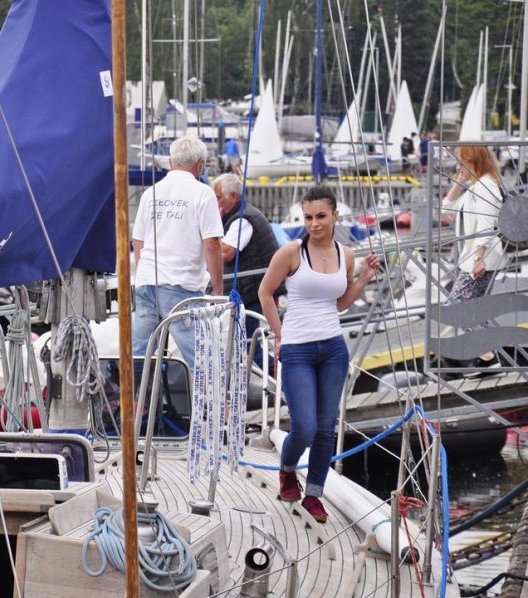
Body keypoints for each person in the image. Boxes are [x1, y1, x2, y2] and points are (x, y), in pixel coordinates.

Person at [258, 186, 379, 523]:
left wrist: (365, 279)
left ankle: (314, 494)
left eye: (321, 216)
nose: (313, 224)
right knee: (305, 426)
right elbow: (265, 293)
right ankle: (286, 470)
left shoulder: (347, 254)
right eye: (308, 217)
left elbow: (339, 303)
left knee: (326, 429)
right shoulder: (291, 253)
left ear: (335, 215)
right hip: (297, 347)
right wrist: (278, 335)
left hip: (333, 348)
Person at [132, 136, 224, 370]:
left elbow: (138, 241)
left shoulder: (150, 193)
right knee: (200, 360)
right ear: (200, 164)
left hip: (146, 284)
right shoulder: (203, 193)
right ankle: (209, 407)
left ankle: (136, 405)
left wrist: (146, 272)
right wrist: (218, 289)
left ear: (171, 161)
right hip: (180, 286)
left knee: (139, 357)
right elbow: (212, 243)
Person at [442, 145, 506, 371]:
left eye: (463, 162)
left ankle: (489, 356)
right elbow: (446, 208)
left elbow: (487, 225)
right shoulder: (475, 186)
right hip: (476, 256)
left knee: (457, 305)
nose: (459, 166)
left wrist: (479, 258)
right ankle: (490, 357)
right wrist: (458, 181)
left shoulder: (486, 186)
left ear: (474, 161)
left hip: (482, 257)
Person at [213, 173, 283, 344]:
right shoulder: (239, 215)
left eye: (218, 198)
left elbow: (226, 254)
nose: (215, 203)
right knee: (247, 342)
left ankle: (273, 371)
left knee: (250, 343)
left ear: (234, 197)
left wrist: (210, 232)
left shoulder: (242, 220)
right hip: (251, 289)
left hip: (251, 292)